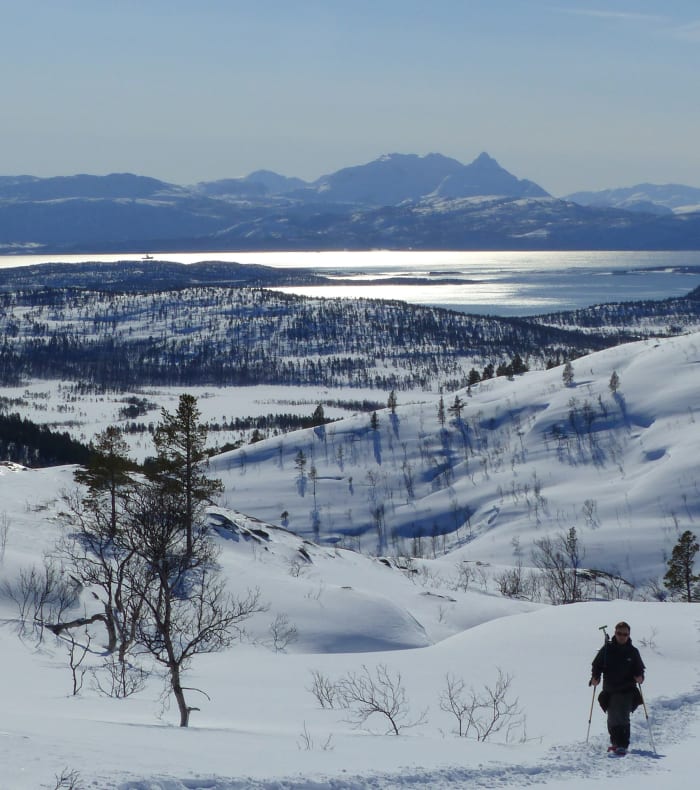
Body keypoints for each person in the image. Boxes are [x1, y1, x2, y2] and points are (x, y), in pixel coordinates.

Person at [589, 621, 645, 755]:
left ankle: (622, 744)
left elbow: (640, 669)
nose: (622, 636)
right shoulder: (607, 649)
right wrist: (595, 677)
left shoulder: (633, 652)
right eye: (620, 633)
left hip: (627, 690)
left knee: (622, 716)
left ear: (629, 635)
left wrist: (640, 677)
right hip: (610, 690)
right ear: (615, 633)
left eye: (625, 634)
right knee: (612, 718)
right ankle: (616, 743)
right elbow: (597, 665)